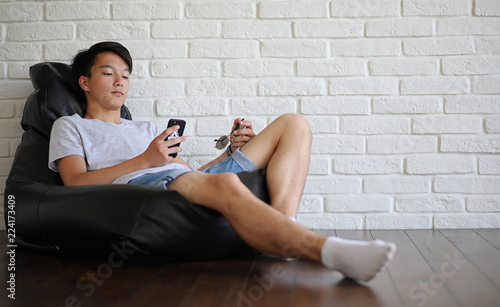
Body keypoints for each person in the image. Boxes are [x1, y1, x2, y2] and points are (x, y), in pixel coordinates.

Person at [48, 41, 396, 282]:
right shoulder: (70, 125)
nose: (120, 81)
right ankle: (323, 249)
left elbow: (190, 174)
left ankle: (284, 224)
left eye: (125, 74)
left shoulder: (147, 127)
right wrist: (144, 159)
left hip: (178, 179)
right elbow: (74, 184)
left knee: (294, 123)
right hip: (140, 188)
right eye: (109, 73)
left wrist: (230, 152)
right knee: (224, 183)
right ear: (85, 82)